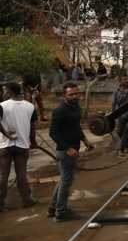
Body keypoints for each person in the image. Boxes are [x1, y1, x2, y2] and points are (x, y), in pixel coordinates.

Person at [48, 82, 94, 221]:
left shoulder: (76, 107)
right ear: (64, 95)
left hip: (74, 148)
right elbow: (53, 133)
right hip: (65, 152)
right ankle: (61, 212)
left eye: (76, 93)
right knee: (66, 181)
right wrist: (68, 148)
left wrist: (85, 140)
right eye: (71, 94)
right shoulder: (59, 110)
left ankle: (53, 207)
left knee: (64, 180)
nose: (74, 96)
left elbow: (76, 127)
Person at [0, 83, 38, 212]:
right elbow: (32, 127)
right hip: (22, 145)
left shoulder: (2, 106)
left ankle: (0, 203)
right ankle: (27, 200)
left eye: (5, 90)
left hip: (4, 145)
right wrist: (33, 141)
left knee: (3, 175)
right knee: (21, 173)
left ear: (9, 91)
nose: (4, 92)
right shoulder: (30, 106)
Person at [111, 74, 128, 155]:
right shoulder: (116, 91)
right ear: (120, 81)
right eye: (124, 79)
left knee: (127, 131)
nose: (127, 81)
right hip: (121, 115)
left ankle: (121, 149)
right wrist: (113, 116)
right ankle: (126, 147)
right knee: (119, 132)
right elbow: (113, 103)